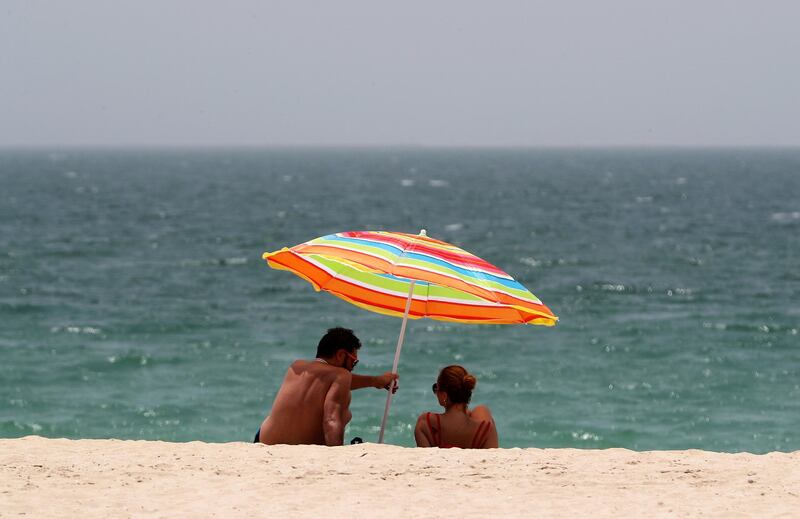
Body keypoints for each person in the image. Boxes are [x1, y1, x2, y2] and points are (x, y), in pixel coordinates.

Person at [255, 327, 398, 446]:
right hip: (301, 452)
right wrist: (336, 457)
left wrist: (375, 381)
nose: (352, 368)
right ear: (341, 355)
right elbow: (331, 420)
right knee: (346, 414)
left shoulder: (297, 366)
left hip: (264, 441)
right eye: (354, 362)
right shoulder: (342, 375)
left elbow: (328, 381)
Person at [414, 365, 498, 449]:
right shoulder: (486, 429)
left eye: (436, 388)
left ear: (444, 396)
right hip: (474, 439)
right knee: (481, 409)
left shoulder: (426, 423)